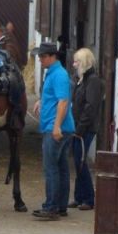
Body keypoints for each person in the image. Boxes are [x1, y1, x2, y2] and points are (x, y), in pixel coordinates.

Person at [31, 42, 76, 221]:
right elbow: (55, 96)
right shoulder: (54, 73)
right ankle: (61, 206)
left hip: (55, 128)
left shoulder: (59, 75)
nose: (40, 60)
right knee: (62, 167)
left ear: (51, 56)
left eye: (42, 57)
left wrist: (56, 126)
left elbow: (63, 101)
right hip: (60, 127)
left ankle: (51, 207)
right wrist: (41, 101)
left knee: (51, 168)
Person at [70, 48, 103, 211]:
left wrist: (80, 128)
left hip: (85, 129)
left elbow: (90, 107)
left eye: (76, 61)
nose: (74, 64)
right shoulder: (81, 80)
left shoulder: (93, 81)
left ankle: (89, 198)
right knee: (78, 161)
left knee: (80, 161)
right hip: (79, 127)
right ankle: (79, 196)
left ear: (83, 63)